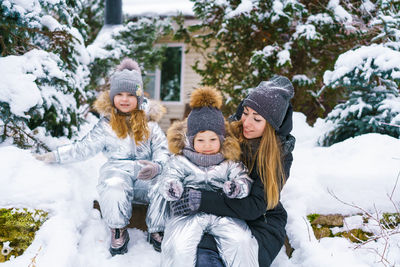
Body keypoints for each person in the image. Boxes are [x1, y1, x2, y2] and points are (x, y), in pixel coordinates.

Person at [35, 58, 169, 256]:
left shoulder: (151, 125)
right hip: (117, 170)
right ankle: (118, 230)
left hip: (146, 173)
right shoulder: (106, 126)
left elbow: (163, 151)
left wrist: (157, 167)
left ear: (139, 97)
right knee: (113, 184)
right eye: (119, 94)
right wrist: (55, 155)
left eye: (130, 95)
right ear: (112, 97)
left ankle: (157, 229)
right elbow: (84, 148)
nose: (124, 99)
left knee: (163, 184)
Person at [171, 76, 296, 266]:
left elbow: (254, 206)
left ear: (271, 125)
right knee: (196, 251)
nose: (246, 122)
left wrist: (200, 199)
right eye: (245, 113)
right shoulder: (227, 136)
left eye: (257, 119)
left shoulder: (279, 155)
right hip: (218, 215)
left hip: (260, 223)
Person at [157, 87, 259, 267]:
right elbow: (168, 177)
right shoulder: (181, 161)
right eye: (200, 140)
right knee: (178, 245)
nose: (207, 145)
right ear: (190, 140)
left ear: (221, 140)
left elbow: (243, 178)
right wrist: (172, 187)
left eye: (213, 140)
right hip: (187, 214)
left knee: (241, 240)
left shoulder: (229, 162)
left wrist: (237, 187)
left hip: (223, 213)